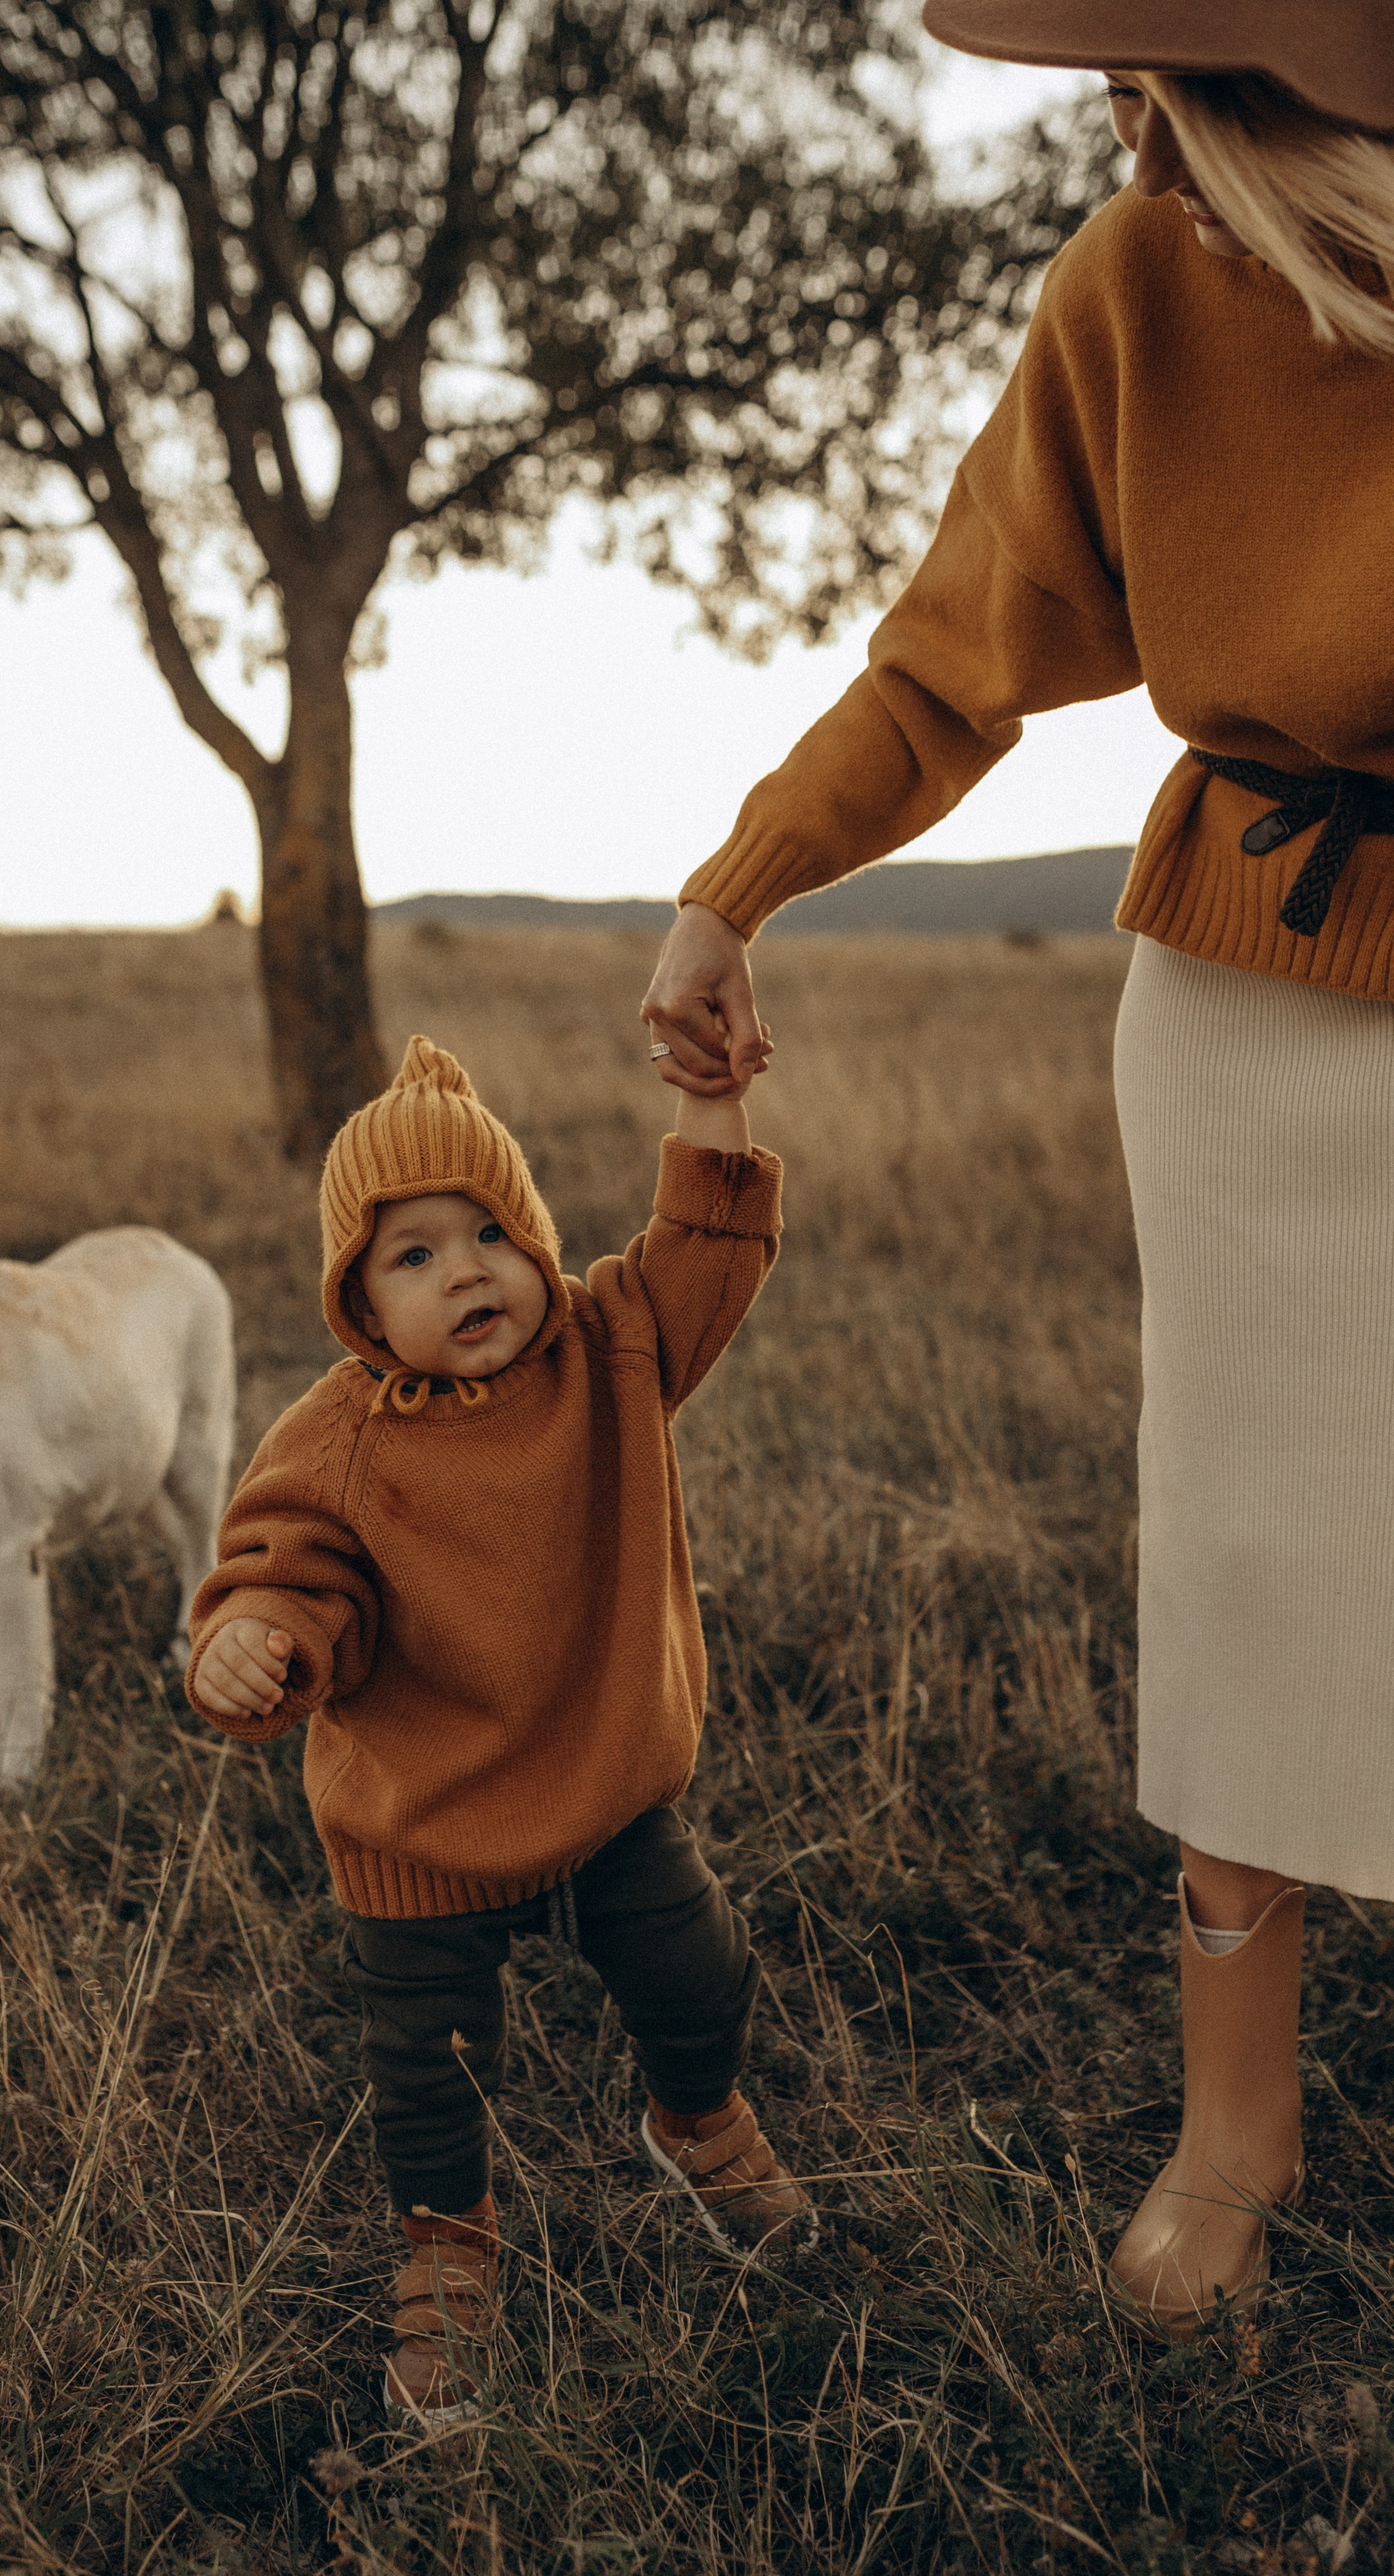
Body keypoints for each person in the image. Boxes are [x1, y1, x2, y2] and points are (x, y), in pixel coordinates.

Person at [642, 0, 1394, 2338]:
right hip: (1263, 994)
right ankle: (1232, 2133)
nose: (1107, 83)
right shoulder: (1140, 285)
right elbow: (955, 655)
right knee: (1265, 1551)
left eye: (1151, 35)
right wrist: (734, 884)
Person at [186, 1030, 802, 2431]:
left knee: (697, 1971)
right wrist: (254, 1642)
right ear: (356, 1302)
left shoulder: (614, 1349)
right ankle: (448, 2249)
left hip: (601, 1793)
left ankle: (693, 2120)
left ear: (534, 1238)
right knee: (430, 2069)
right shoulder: (338, 1441)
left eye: (485, 1232)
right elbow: (284, 1570)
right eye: (410, 1257)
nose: (463, 1270)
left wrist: (710, 1098)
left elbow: (707, 1244)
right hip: (422, 1824)